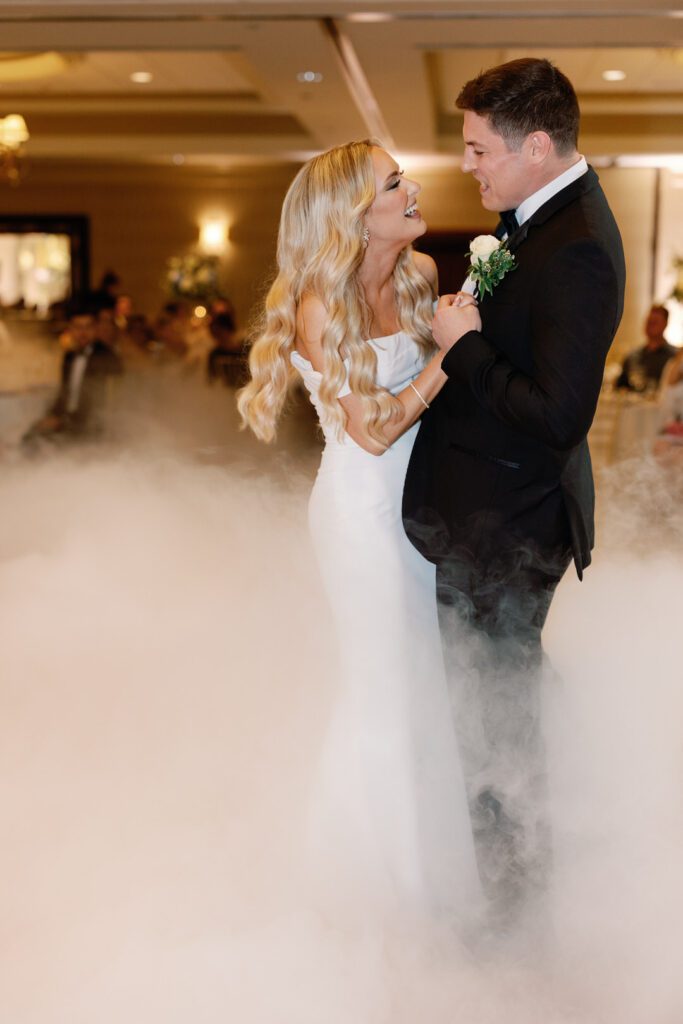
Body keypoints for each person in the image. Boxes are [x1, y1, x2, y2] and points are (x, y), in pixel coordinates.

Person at [403, 58, 626, 937]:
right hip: (492, 518)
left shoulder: (572, 247)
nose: (466, 165)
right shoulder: (534, 220)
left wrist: (462, 347)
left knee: (494, 733)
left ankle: (514, 923)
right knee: (494, 716)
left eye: (477, 147)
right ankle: (519, 888)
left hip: (508, 529)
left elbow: (556, 415)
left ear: (536, 146)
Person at [238, 140, 482, 924]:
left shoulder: (417, 277)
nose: (412, 190)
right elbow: (371, 432)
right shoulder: (319, 304)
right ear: (355, 214)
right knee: (381, 692)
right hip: (359, 514)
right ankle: (373, 898)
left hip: (422, 509)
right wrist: (449, 358)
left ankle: (441, 880)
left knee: (425, 692)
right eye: (393, 182)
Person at [23, 296, 123, 446]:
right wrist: (52, 415)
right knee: (30, 437)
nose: (82, 333)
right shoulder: (69, 356)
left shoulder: (107, 356)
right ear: (70, 329)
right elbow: (64, 393)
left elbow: (110, 401)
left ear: (96, 328)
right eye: (77, 327)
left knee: (40, 443)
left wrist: (63, 421)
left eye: (88, 327)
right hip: (69, 420)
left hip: (90, 425)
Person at [614, 305, 676, 392]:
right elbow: (619, 388)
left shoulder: (674, 358)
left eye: (655, 322)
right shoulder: (632, 356)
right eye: (649, 321)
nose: (650, 325)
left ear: (665, 324)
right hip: (633, 405)